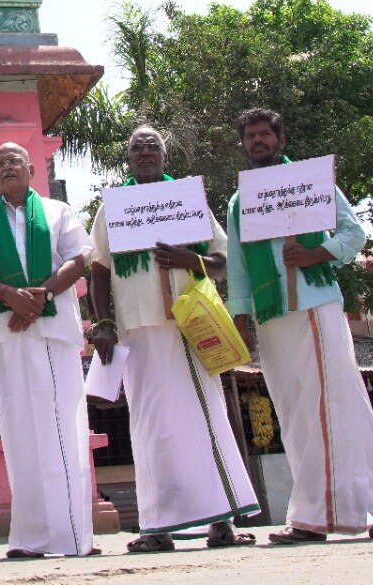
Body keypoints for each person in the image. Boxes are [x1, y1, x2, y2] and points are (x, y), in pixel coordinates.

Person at [225, 108, 373, 543]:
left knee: (331, 407)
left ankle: (315, 517)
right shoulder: (239, 200)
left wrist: (315, 254)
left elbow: (354, 233)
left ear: (281, 141)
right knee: (296, 414)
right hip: (271, 315)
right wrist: (241, 318)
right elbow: (237, 267)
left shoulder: (311, 181)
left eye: (265, 134)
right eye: (250, 136)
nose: (258, 142)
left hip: (314, 305)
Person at [87, 127, 257, 552]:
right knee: (150, 427)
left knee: (207, 418)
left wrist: (191, 259)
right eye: (136, 148)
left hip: (189, 323)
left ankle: (222, 523)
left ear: (165, 156)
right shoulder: (113, 208)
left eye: (153, 147)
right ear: (127, 159)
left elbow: (222, 259)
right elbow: (100, 269)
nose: (145, 153)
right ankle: (157, 525)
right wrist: (103, 322)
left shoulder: (188, 199)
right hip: (138, 329)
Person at [0, 143, 99, 559]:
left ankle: (73, 535)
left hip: (53, 332)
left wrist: (39, 297)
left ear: (31, 169)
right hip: (9, 336)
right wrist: (9, 296)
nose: (7, 167)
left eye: (14, 161)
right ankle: (30, 537)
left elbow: (81, 257)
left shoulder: (58, 212)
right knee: (20, 434)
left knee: (63, 430)